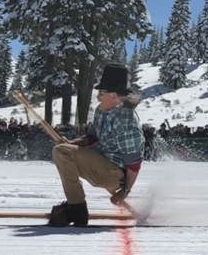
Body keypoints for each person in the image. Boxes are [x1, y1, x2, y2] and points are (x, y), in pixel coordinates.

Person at [49, 64, 145, 227]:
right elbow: (92, 137)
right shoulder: (102, 111)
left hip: (114, 174)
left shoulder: (126, 122)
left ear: (114, 95)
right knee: (62, 152)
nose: (99, 97)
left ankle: (77, 209)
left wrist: (124, 192)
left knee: (62, 152)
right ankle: (76, 207)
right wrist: (71, 144)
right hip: (100, 161)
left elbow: (134, 163)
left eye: (102, 93)